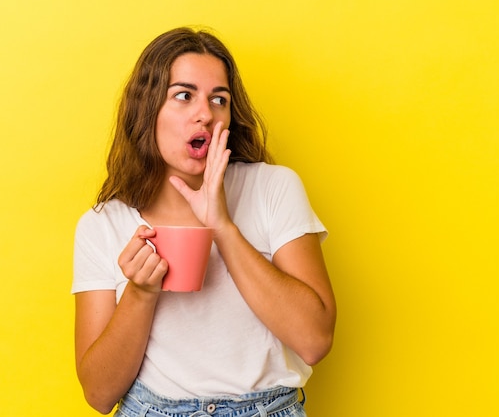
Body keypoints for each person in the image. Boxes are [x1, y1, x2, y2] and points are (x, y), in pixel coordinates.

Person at [72, 27, 336, 416]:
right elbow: (98, 394)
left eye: (219, 99)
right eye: (184, 95)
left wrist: (223, 227)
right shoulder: (103, 225)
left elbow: (314, 340)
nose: (206, 114)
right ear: (147, 110)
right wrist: (140, 292)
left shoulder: (272, 188)